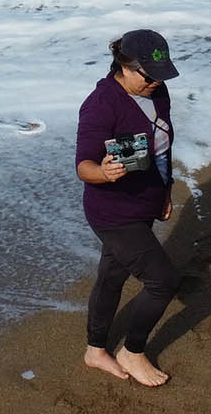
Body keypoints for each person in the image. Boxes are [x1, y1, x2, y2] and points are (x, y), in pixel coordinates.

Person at [75, 28, 181, 386]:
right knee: (163, 282)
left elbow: (162, 148)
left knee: (112, 275)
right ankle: (132, 352)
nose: (156, 83)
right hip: (114, 213)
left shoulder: (158, 92)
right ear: (125, 66)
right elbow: (83, 167)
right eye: (148, 77)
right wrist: (103, 172)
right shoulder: (101, 104)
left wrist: (166, 191)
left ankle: (95, 351)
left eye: (161, 75)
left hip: (145, 202)